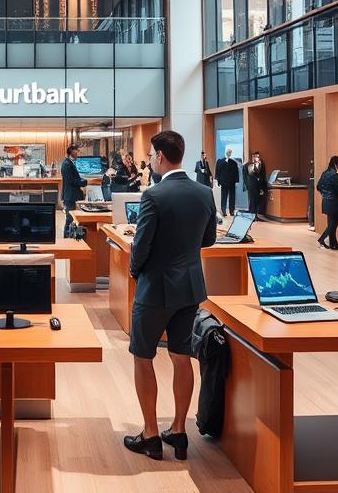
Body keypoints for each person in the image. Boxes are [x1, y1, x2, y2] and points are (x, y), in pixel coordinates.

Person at [123, 130, 216, 461]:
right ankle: (178, 430)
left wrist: (135, 271)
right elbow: (208, 240)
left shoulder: (154, 195)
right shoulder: (205, 192)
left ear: (160, 156)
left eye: (150, 155)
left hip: (155, 289)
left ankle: (150, 434)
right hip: (190, 288)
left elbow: (141, 245)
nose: (149, 160)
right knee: (181, 356)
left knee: (143, 356)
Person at [316, 156, 338, 250]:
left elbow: (318, 187)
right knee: (333, 224)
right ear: (335, 163)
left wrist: (325, 193)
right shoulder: (335, 175)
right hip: (334, 203)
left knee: (331, 223)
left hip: (326, 201)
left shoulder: (325, 173)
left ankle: (333, 244)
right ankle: (322, 239)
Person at [60, 144, 87, 232]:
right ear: (71, 151)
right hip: (70, 196)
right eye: (76, 150)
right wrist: (85, 182)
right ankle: (67, 238)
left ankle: (71, 237)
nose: (78, 152)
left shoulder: (69, 162)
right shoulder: (67, 164)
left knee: (73, 219)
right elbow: (71, 181)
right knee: (70, 219)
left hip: (71, 195)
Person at [214, 148, 240, 216]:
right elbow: (217, 171)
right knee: (224, 197)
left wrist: (237, 181)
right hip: (224, 182)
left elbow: (236, 172)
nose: (229, 153)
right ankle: (223, 210)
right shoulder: (220, 161)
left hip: (232, 182)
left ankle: (232, 210)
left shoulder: (234, 162)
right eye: (228, 152)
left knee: (232, 197)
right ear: (225, 152)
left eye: (230, 152)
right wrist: (217, 180)